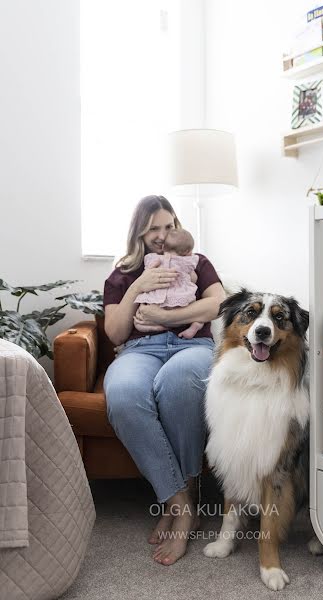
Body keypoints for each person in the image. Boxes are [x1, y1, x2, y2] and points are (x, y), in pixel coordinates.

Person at [103, 195, 225, 566]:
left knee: (179, 381)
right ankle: (180, 501)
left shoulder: (197, 262)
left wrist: (167, 315)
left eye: (168, 226)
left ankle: (183, 496)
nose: (161, 235)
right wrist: (138, 287)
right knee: (123, 394)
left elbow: (218, 303)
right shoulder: (123, 272)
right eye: (153, 228)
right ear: (139, 232)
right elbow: (114, 332)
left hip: (192, 344)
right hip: (140, 349)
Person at [133, 228, 203, 339]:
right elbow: (193, 279)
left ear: (163, 247)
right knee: (198, 315)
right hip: (180, 304)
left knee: (140, 320)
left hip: (158, 302)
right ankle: (194, 326)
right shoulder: (188, 261)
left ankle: (156, 327)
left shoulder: (153, 258)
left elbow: (147, 273)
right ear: (188, 252)